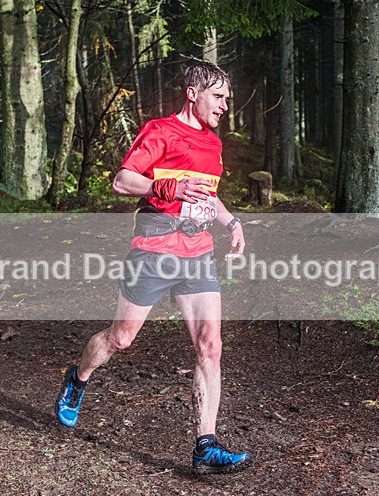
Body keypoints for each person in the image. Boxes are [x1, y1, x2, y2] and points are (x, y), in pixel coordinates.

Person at [55, 60, 251, 474]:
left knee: (210, 346)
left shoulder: (213, 144)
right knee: (120, 338)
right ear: (192, 93)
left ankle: (205, 445)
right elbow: (122, 180)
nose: (223, 107)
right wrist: (168, 186)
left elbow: (207, 195)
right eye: (218, 97)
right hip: (155, 248)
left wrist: (231, 222)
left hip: (198, 251)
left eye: (227, 99)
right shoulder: (159, 131)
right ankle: (79, 377)